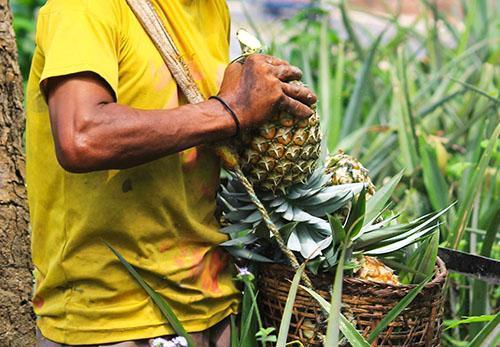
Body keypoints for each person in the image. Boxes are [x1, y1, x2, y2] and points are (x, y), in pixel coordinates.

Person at [26, 0, 316, 346]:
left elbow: (195, 128)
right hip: (111, 316)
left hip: (213, 301)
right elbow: (82, 136)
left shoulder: (212, 8)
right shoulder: (86, 7)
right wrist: (230, 111)